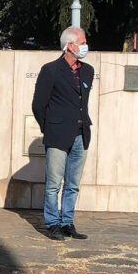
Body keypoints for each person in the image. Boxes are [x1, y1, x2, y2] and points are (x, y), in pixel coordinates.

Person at [32, 26, 94, 241]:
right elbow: (39, 105)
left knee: (73, 184)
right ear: (70, 45)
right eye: (82, 42)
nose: (85, 46)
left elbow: (81, 102)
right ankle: (52, 224)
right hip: (57, 134)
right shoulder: (50, 70)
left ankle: (67, 222)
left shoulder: (87, 71)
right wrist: (48, 127)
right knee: (53, 184)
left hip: (81, 133)